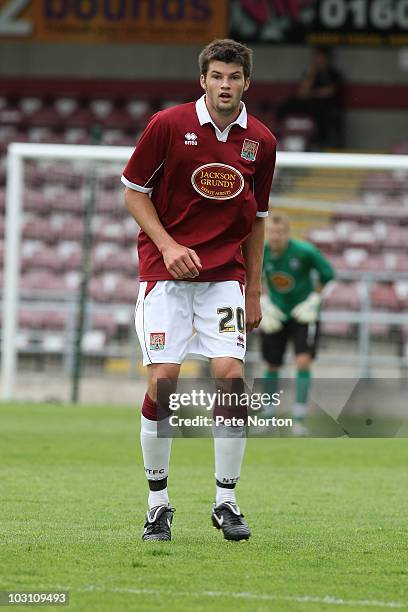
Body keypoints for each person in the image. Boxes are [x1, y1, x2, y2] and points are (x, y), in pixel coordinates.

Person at [121, 39, 277, 541]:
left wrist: (253, 290)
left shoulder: (262, 142)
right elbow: (133, 192)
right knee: (162, 383)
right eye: (217, 76)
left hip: (223, 280)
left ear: (246, 83)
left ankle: (226, 502)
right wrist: (167, 247)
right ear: (203, 80)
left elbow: (257, 220)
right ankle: (157, 504)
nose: (225, 85)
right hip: (165, 276)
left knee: (230, 378)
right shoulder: (168, 125)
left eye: (234, 76)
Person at [259, 213, 335, 430]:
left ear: (287, 233)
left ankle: (299, 418)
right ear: (267, 233)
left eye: (280, 232)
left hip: (303, 314)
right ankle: (268, 416)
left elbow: (328, 274)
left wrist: (315, 298)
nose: (276, 236)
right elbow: (251, 275)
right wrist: (263, 300)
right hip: (276, 312)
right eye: (272, 232)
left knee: (302, 361)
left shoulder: (305, 251)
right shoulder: (261, 251)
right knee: (272, 363)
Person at [276, 46, 343, 148]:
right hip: (309, 103)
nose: (317, 60)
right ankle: (280, 136)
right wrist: (312, 72)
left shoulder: (333, 74)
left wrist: (311, 94)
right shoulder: (310, 73)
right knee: (285, 105)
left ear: (327, 59)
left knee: (320, 111)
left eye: (320, 57)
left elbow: (330, 92)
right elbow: (303, 92)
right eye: (316, 57)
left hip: (327, 105)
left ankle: (318, 142)